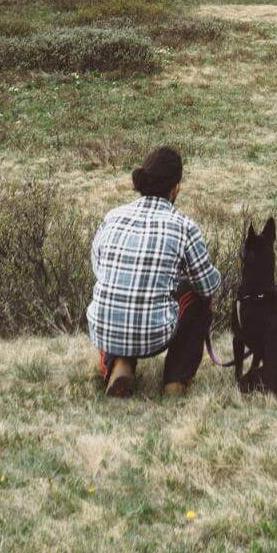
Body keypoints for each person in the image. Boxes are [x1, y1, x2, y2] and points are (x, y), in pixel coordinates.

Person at [87, 144, 221, 397]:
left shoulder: (112, 216)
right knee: (198, 296)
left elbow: (98, 267)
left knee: (120, 290)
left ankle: (120, 366)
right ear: (176, 188)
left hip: (104, 329)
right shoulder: (184, 227)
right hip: (155, 334)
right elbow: (209, 285)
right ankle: (175, 380)